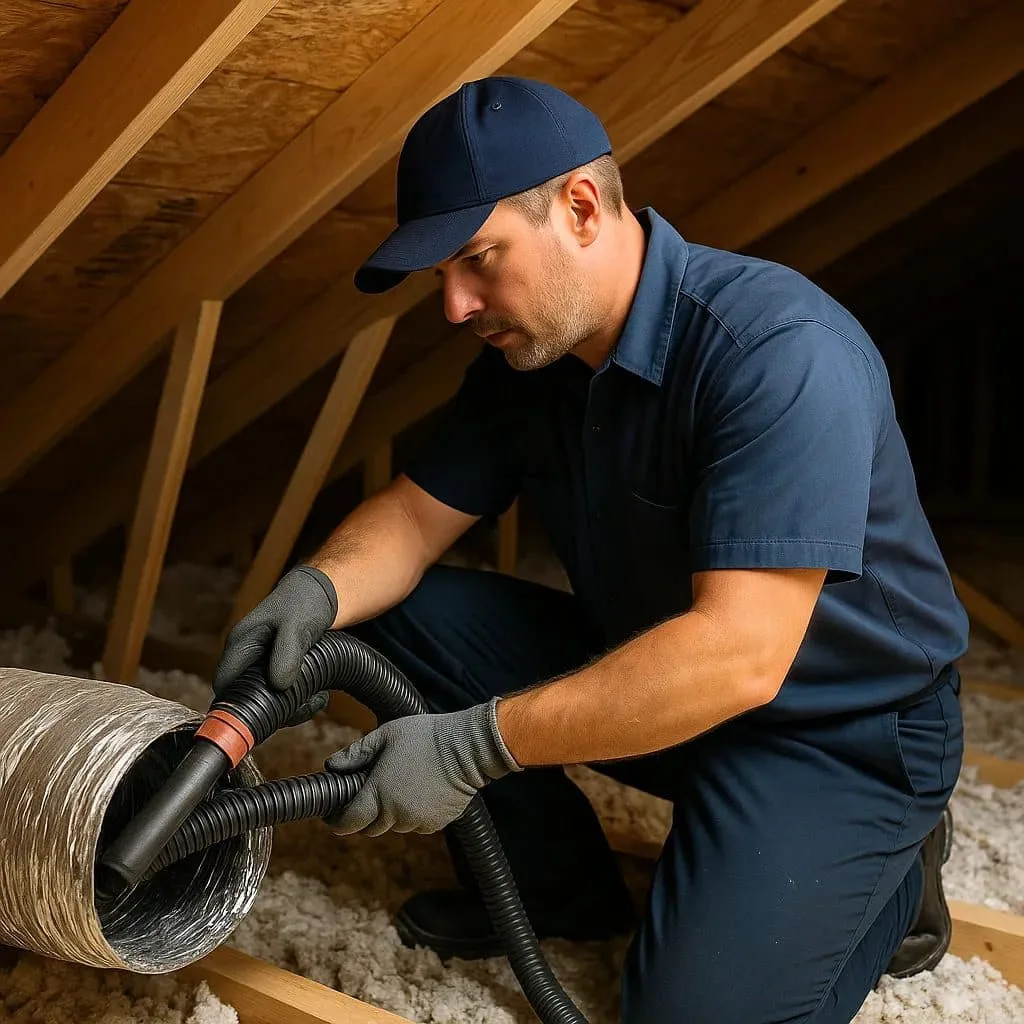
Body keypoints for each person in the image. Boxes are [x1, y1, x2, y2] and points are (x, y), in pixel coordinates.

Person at [213, 76, 968, 1023]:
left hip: (834, 733)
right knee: (390, 611)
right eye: (441, 274)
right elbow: (409, 520)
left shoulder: (777, 350)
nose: (453, 304)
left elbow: (738, 654)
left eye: (478, 260)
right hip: (663, 681)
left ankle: (892, 864)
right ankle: (555, 886)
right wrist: (313, 595)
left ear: (578, 207)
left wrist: (469, 748)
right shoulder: (531, 353)